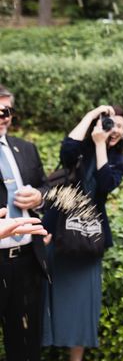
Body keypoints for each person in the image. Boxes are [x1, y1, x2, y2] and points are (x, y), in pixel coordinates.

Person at [42, 105, 123, 361]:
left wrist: (102, 145)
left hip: (89, 239)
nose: (113, 130)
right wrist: (93, 115)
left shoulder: (119, 160)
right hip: (57, 232)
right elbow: (66, 149)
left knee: (81, 305)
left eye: (120, 127)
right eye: (110, 123)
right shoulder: (80, 149)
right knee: (47, 301)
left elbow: (104, 184)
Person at [0, 84, 50, 361]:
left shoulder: (25, 148)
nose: (3, 116)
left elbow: (45, 187)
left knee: (26, 345)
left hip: (27, 261)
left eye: (8, 110)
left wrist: (39, 198)